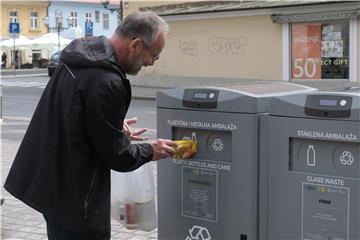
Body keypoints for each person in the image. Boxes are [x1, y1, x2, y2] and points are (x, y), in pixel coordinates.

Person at [4, 11, 177, 240]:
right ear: (135, 44)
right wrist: (151, 150)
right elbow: (118, 156)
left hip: (54, 187)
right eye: (153, 55)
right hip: (76, 198)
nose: (149, 63)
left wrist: (111, 124)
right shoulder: (106, 81)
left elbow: (74, 112)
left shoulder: (81, 59)